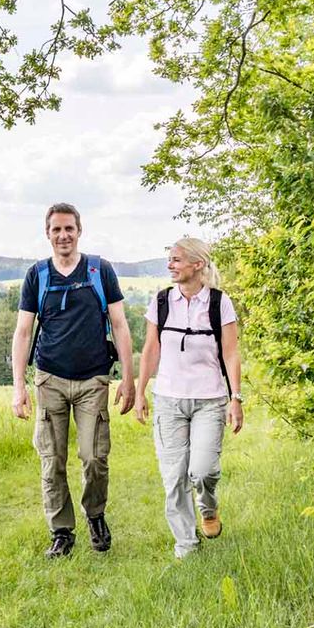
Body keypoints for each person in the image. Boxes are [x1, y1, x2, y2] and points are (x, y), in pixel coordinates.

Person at [11, 203, 135, 558]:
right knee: (52, 460)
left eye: (69, 229)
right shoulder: (37, 275)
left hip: (93, 379)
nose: (63, 235)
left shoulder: (100, 270)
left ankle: (95, 515)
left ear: (79, 231)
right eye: (56, 230)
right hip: (49, 379)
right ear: (47, 234)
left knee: (94, 456)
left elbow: (120, 325)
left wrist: (128, 379)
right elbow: (23, 332)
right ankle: (61, 531)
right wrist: (19, 386)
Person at [134, 237, 243, 559]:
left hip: (209, 399)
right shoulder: (162, 300)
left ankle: (208, 507)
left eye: (177, 259)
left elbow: (232, 352)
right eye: (170, 259)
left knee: (203, 471)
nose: (171, 265)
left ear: (197, 264)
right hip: (168, 400)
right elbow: (151, 349)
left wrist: (235, 398)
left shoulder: (219, 302)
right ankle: (186, 545)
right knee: (174, 477)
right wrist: (140, 391)